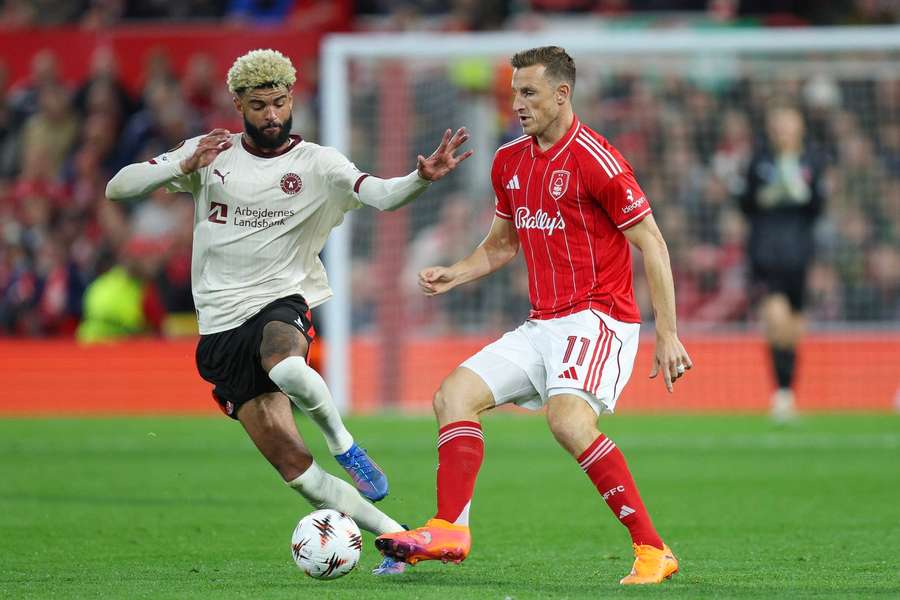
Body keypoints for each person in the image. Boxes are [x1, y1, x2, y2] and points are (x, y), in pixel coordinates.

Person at [105, 49, 471, 573]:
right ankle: (398, 538)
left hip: (279, 299)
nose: (272, 115)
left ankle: (346, 445)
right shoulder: (209, 154)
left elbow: (384, 196)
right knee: (296, 471)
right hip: (220, 327)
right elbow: (116, 187)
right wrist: (183, 164)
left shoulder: (319, 163)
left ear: (292, 98)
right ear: (238, 105)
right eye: (259, 106)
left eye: (279, 102)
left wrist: (422, 178)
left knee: (285, 361)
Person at [376, 46, 691, 586]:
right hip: (542, 322)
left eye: (528, 93)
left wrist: (668, 333)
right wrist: (457, 271)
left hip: (599, 318)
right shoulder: (510, 160)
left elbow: (654, 244)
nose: (517, 103)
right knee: (453, 395)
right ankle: (450, 528)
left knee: (567, 422)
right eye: (514, 92)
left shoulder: (599, 160)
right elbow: (501, 247)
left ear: (561, 94)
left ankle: (652, 549)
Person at [739, 105, 825, 421]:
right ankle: (781, 394)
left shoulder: (813, 161)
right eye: (779, 124)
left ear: (800, 127)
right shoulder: (760, 162)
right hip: (766, 254)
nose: (784, 130)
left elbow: (818, 206)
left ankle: (788, 392)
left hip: (800, 255)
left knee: (793, 330)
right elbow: (746, 203)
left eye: (789, 124)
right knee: (775, 320)